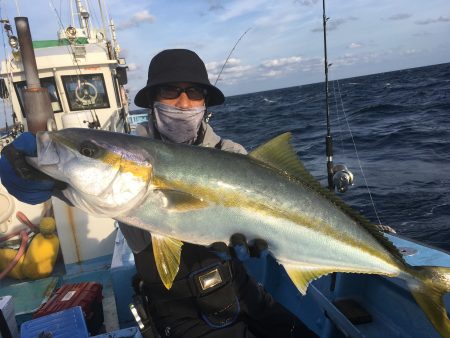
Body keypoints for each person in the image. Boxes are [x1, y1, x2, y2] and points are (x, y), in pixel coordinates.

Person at [0, 49, 317, 338]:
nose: (183, 102)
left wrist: (261, 239)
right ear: (152, 100)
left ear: (204, 103)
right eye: (170, 91)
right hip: (176, 308)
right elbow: (75, 181)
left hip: (238, 287)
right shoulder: (124, 154)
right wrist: (32, 171)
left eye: (194, 93)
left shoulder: (231, 153)